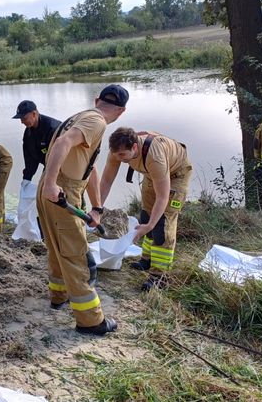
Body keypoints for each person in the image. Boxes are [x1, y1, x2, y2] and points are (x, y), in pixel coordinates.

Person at [37, 84, 128, 336]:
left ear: (97, 99)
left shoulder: (79, 116)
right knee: (78, 256)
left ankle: (59, 295)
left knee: (58, 248)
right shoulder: (95, 121)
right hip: (59, 191)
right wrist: (53, 184)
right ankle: (90, 321)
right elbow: (63, 144)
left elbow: (90, 168)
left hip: (52, 189)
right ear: (121, 111)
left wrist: (97, 208)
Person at [13, 100, 98, 286]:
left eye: (24, 117)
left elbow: (74, 157)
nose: (22, 122)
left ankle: (87, 265)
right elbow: (30, 159)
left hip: (68, 178)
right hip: (50, 178)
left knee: (71, 220)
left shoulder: (53, 128)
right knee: (45, 216)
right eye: (20, 119)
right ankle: (52, 250)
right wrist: (26, 180)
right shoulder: (28, 134)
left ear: (34, 113)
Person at [99, 127, 192, 291]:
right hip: (153, 174)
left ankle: (159, 276)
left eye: (122, 155)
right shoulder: (116, 151)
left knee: (161, 224)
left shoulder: (154, 157)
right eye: (115, 155)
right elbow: (106, 181)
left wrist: (150, 226)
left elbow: (162, 197)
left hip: (176, 175)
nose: (118, 159)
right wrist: (96, 208)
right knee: (145, 216)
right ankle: (147, 260)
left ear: (134, 147)